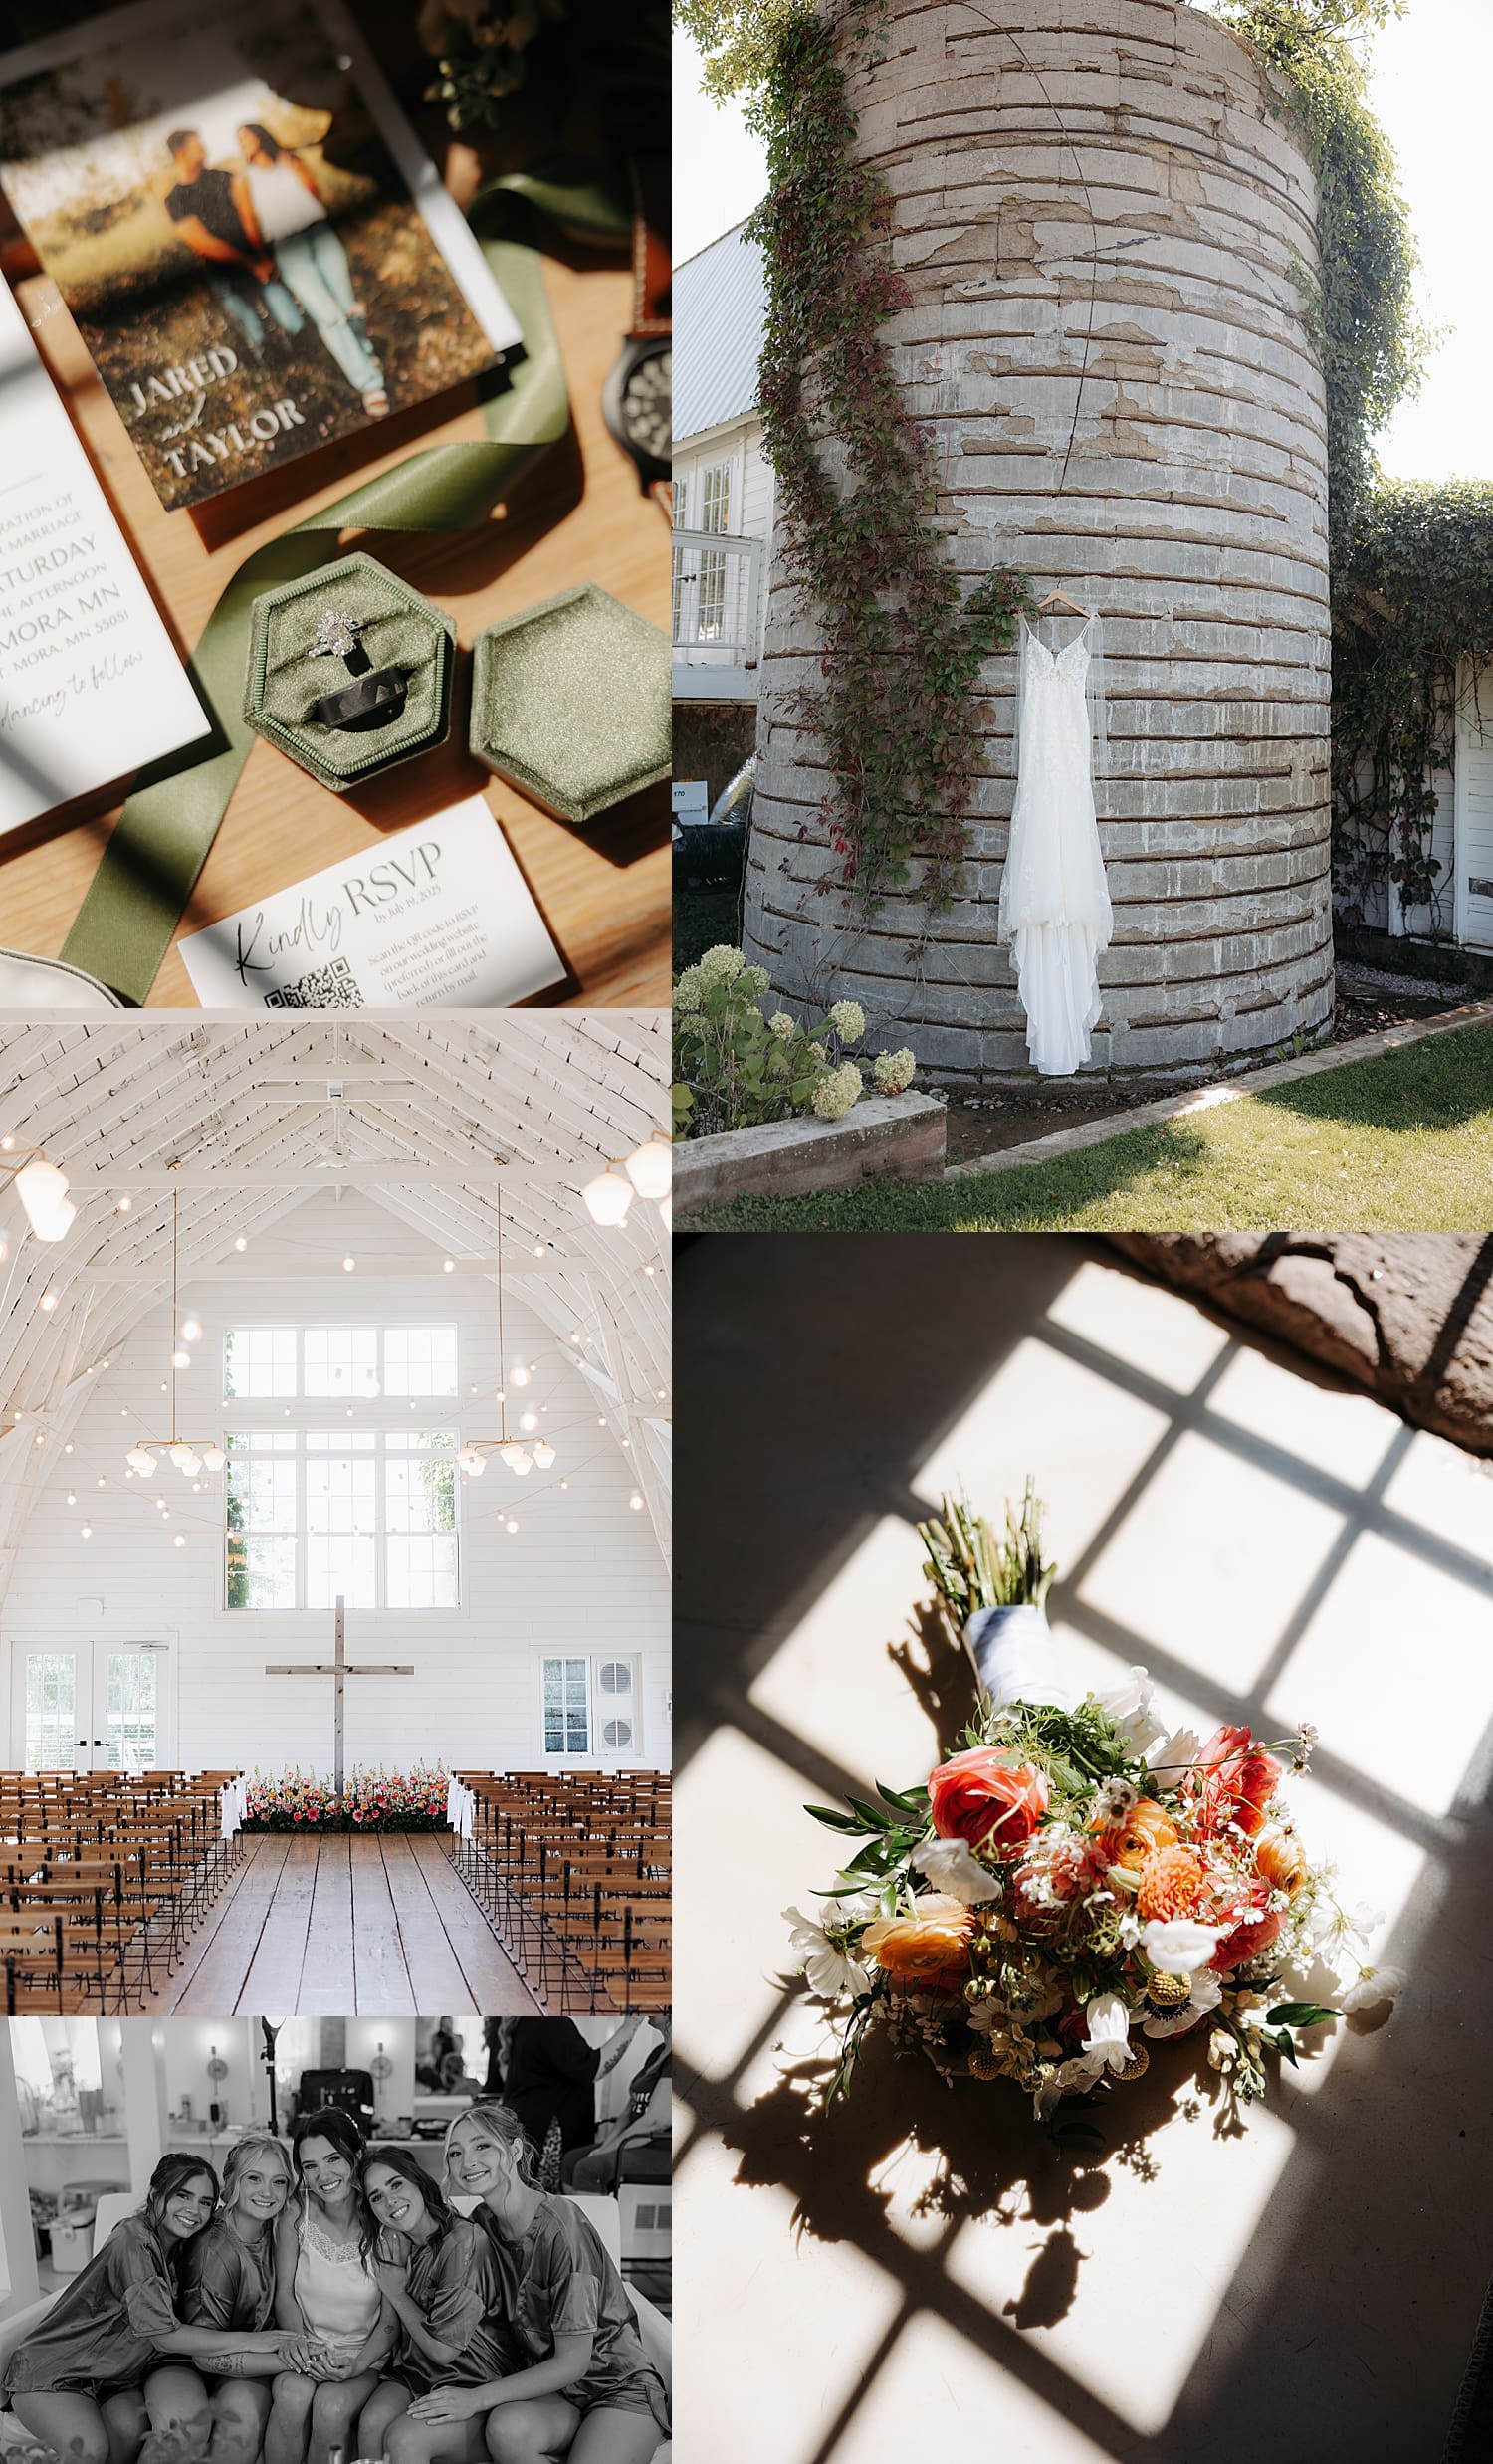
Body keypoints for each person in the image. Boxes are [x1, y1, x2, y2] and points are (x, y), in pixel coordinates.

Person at [404, 2104, 669, 2464]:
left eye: (482, 2146)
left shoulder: (562, 2228)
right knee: (505, 2428)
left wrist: (475, 2398)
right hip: (555, 2393)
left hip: (616, 2386)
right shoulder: (481, 2224)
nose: (467, 2161)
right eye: (455, 2152)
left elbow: (573, 2364)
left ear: (514, 2150)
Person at [2, 2156, 304, 2461]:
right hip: (54, 2371)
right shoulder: (132, 2240)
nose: (193, 2210)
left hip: (113, 2378)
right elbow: (165, 2337)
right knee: (90, 2450)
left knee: (138, 2437)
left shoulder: (186, 2243)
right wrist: (254, 2341)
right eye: (182, 2195)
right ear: (156, 2194)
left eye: (204, 2202)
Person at [143, 2136, 323, 2459]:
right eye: (254, 2178)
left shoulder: (280, 2229)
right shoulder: (215, 2249)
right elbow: (205, 2355)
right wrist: (304, 2361)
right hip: (191, 2362)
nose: (267, 2192)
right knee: (240, 2414)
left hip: (248, 2355)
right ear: (230, 2183)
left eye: (278, 2182)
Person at [354, 2147, 516, 2462]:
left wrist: (398, 2293)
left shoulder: (464, 2242)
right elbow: (391, 2324)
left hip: (473, 2379)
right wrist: (355, 2365)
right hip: (413, 2373)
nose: (390, 2202)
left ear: (418, 2181)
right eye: (376, 2197)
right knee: (371, 2423)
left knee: (403, 2440)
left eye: (396, 2184)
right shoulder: (395, 2243)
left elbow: (444, 2351)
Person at [265, 2112, 395, 2464]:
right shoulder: (296, 2211)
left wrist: (356, 2366)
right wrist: (299, 2343)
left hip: (363, 2358)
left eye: (333, 2159)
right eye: (310, 2166)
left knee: (331, 2405)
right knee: (292, 2398)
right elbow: (284, 2293)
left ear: (357, 2154)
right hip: (304, 2345)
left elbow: (390, 2320)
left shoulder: (385, 2218)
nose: (323, 2176)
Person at [235, 123, 388, 415]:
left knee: (347, 305)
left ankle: (364, 353)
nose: (241, 143)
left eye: (245, 136)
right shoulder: (244, 181)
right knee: (328, 317)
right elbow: (249, 224)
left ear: (260, 135)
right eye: (238, 140)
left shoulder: (290, 161)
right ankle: (369, 384)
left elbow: (312, 191)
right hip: (287, 248)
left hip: (319, 233)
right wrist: (262, 259)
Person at [160, 127, 303, 360]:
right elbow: (202, 242)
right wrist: (249, 263)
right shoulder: (175, 199)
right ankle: (278, 370)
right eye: (197, 145)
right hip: (224, 272)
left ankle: (304, 357)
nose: (204, 149)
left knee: (293, 322)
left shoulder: (224, 177)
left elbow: (249, 217)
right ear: (180, 153)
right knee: (257, 338)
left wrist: (261, 258)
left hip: (257, 259)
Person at [505, 2018, 644, 2173]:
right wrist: (632, 2024)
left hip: (528, 2123)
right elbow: (591, 2070)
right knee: (549, 2194)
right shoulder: (550, 2022)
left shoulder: (529, 2021)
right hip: (549, 2133)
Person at [562, 2019, 670, 2196]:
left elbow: (655, 2121)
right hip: (638, 2141)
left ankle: (596, 2223)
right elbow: (628, 2111)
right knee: (570, 2161)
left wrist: (605, 2151)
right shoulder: (658, 2052)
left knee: (589, 2169)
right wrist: (606, 2145)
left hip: (660, 2146)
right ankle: (576, 2222)